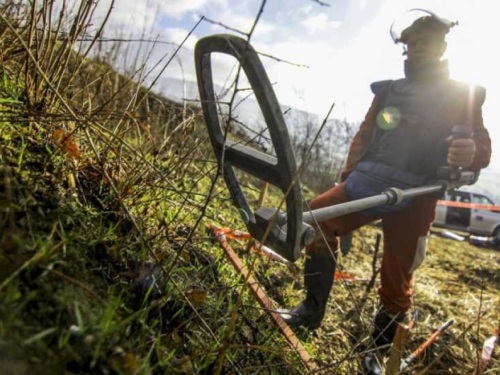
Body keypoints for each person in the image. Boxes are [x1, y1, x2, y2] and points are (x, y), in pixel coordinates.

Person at [281, 10, 491, 371]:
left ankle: (376, 352)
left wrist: (472, 153)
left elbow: (482, 147)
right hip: (368, 181)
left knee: (397, 274)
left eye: (422, 42)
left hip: (418, 194)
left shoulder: (464, 94)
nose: (414, 49)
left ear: (441, 45)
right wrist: (347, 179)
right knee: (317, 215)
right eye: (408, 44)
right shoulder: (390, 89)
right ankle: (311, 311)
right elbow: (364, 138)